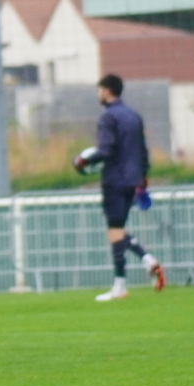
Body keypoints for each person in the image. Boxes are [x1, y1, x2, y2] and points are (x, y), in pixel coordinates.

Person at [75, 74, 165, 301]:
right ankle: (140, 267)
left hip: (114, 180)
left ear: (106, 91)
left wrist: (83, 161)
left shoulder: (108, 117)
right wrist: (143, 178)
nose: (99, 95)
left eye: (99, 90)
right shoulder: (134, 116)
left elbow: (106, 150)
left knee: (115, 232)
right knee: (119, 230)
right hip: (133, 180)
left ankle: (124, 282)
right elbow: (143, 151)